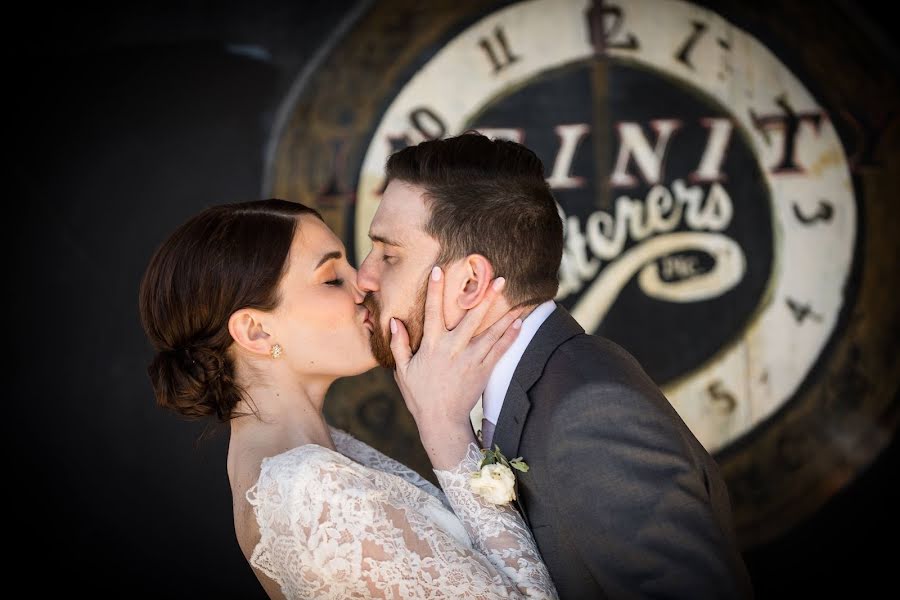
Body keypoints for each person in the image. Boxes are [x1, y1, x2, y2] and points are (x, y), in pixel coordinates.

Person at [358, 132, 754, 599]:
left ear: (469, 283)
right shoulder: (534, 382)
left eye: (389, 255)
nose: (364, 275)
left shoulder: (590, 411)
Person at [138, 199, 559, 599]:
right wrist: (444, 425)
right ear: (256, 333)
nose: (364, 284)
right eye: (332, 279)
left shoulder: (318, 452)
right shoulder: (309, 489)